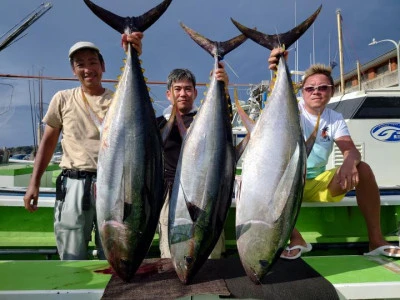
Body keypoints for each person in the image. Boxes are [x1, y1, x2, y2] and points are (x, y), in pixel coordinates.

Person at [268, 48, 400, 259]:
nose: (316, 91)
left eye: (323, 87)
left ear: (331, 91)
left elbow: (350, 150)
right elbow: (275, 97)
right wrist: (277, 68)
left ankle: (376, 240)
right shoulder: (292, 108)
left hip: (317, 181)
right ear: (302, 92)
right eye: (310, 88)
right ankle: (295, 237)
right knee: (261, 183)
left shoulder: (334, 118)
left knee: (363, 168)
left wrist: (350, 161)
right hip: (286, 183)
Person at [23, 33, 144, 260]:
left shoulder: (119, 100)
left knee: (115, 252)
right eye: (81, 64)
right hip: (73, 184)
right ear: (73, 70)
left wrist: (134, 51)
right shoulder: (63, 98)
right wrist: (34, 183)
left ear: (103, 66)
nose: (88, 69)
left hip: (113, 186)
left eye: (92, 63)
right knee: (71, 252)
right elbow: (48, 143)